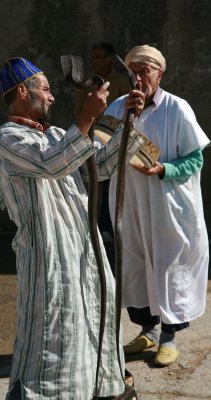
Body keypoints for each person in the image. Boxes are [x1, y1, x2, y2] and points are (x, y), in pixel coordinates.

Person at [0, 57, 126, 399]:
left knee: (88, 335)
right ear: (23, 91)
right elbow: (52, 164)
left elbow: (102, 167)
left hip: (83, 253)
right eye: (46, 89)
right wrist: (85, 118)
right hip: (49, 259)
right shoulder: (8, 141)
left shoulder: (54, 134)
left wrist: (128, 122)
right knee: (48, 346)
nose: (52, 98)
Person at [106, 45, 210, 367]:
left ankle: (169, 337)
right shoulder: (118, 107)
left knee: (169, 265)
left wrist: (164, 169)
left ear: (159, 74)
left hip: (168, 203)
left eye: (144, 71)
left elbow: (195, 158)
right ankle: (148, 331)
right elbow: (104, 150)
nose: (137, 78)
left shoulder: (177, 109)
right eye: (132, 71)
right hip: (131, 202)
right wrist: (127, 117)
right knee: (135, 263)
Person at [75, 42, 129, 271]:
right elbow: (80, 110)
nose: (95, 61)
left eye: (99, 57)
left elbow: (123, 112)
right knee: (88, 184)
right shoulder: (87, 82)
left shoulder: (121, 83)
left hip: (109, 140)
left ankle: (107, 225)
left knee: (109, 183)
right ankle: (93, 225)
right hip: (88, 139)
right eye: (93, 56)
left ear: (109, 59)